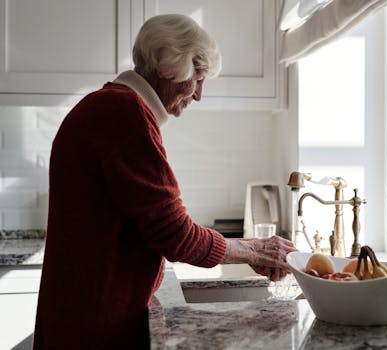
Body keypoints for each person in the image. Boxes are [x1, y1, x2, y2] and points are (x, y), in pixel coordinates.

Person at [33, 14, 296, 350]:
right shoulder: (124, 114)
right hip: (97, 326)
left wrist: (251, 251)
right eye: (197, 78)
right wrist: (254, 250)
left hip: (81, 316)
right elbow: (175, 234)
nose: (199, 94)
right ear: (169, 66)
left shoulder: (110, 106)